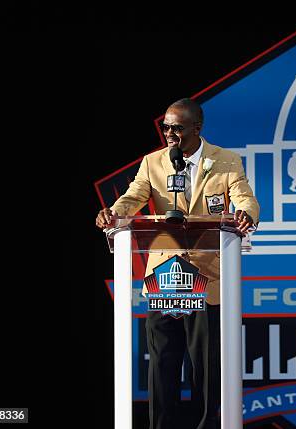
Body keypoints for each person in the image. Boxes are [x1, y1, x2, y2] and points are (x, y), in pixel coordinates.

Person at [95, 98, 259, 429]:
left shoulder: (226, 161)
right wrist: (115, 212)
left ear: (197, 129)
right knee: (162, 365)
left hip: (208, 277)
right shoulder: (153, 162)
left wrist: (245, 214)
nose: (170, 134)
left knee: (206, 368)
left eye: (177, 129)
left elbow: (245, 197)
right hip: (164, 279)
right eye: (165, 127)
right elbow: (134, 195)